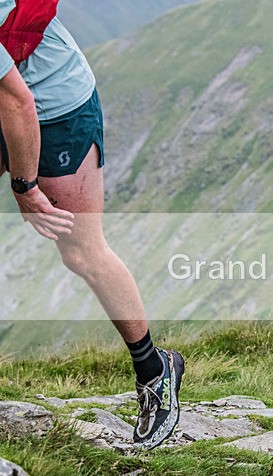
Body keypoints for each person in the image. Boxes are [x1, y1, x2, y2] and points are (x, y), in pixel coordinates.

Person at [0, 0, 183, 450]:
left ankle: (155, 372)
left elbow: (19, 103)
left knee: (81, 250)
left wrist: (25, 186)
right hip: (13, 93)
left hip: (53, 107)